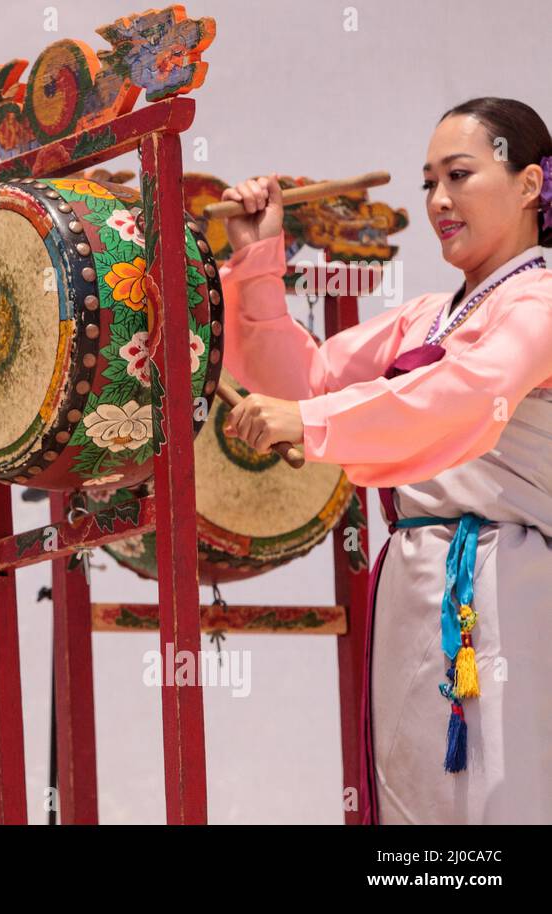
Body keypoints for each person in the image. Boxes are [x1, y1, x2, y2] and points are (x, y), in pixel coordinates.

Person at [214, 97, 552, 824]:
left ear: (529, 185)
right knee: (415, 810)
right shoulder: (428, 317)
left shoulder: (539, 303)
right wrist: (258, 257)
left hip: (505, 580)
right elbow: (302, 383)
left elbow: (463, 393)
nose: (438, 201)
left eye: (460, 175)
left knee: (500, 801)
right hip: (413, 582)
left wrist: (307, 423)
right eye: (428, 181)